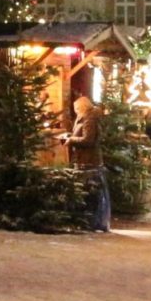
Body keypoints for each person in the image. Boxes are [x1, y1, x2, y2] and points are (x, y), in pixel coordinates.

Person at [67, 95, 111, 233]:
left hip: (88, 161)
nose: (75, 111)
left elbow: (88, 139)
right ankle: (94, 221)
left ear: (82, 108)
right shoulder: (88, 117)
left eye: (76, 109)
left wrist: (71, 140)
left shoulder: (89, 118)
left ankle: (93, 221)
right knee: (92, 191)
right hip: (87, 160)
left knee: (91, 191)